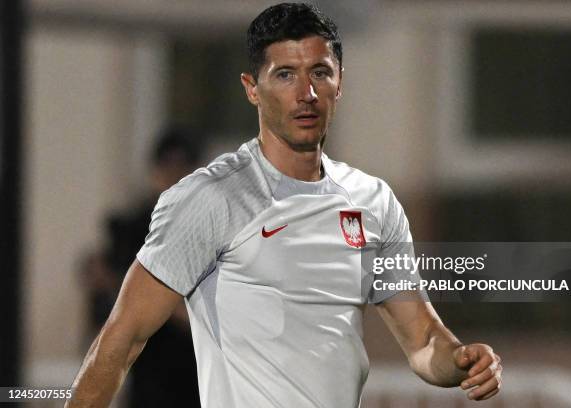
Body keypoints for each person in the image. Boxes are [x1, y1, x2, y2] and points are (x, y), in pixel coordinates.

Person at [67, 3, 502, 407]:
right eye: (285, 75)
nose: (306, 92)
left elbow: (423, 341)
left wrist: (461, 357)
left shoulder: (373, 202)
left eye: (319, 72)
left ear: (340, 81)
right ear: (252, 89)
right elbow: (121, 340)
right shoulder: (210, 199)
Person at [78, 128, 201, 407]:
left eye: (183, 167)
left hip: (192, 372)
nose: (175, 177)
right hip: (149, 373)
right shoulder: (136, 227)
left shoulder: (209, 230)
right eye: (168, 167)